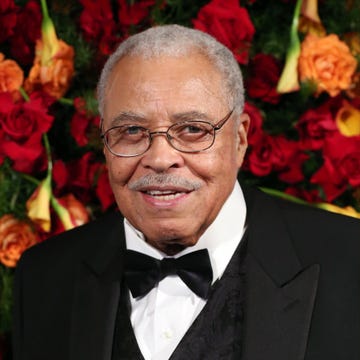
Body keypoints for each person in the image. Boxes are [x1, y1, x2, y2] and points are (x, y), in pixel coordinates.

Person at [13, 24, 360, 360]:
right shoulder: (44, 277)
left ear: (239, 139)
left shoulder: (349, 262)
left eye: (193, 129)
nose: (161, 159)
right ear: (105, 142)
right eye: (131, 130)